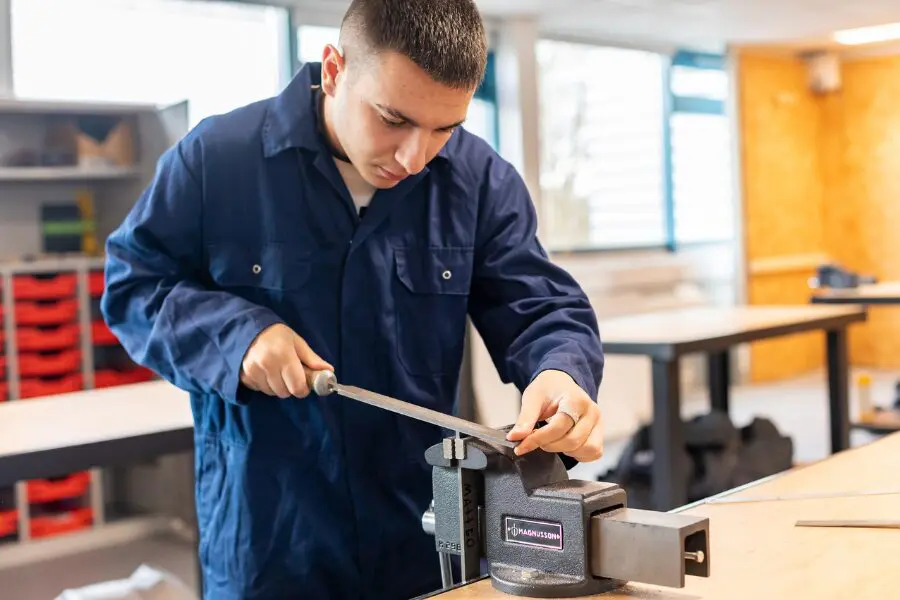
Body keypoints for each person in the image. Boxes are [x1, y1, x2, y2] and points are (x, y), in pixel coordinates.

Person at [101, 0, 605, 598]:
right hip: (270, 534)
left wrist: (560, 372)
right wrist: (237, 338)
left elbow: (541, 306)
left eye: (445, 127)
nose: (415, 157)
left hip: (423, 530)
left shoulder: (479, 182)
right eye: (393, 118)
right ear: (335, 69)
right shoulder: (218, 159)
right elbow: (135, 286)